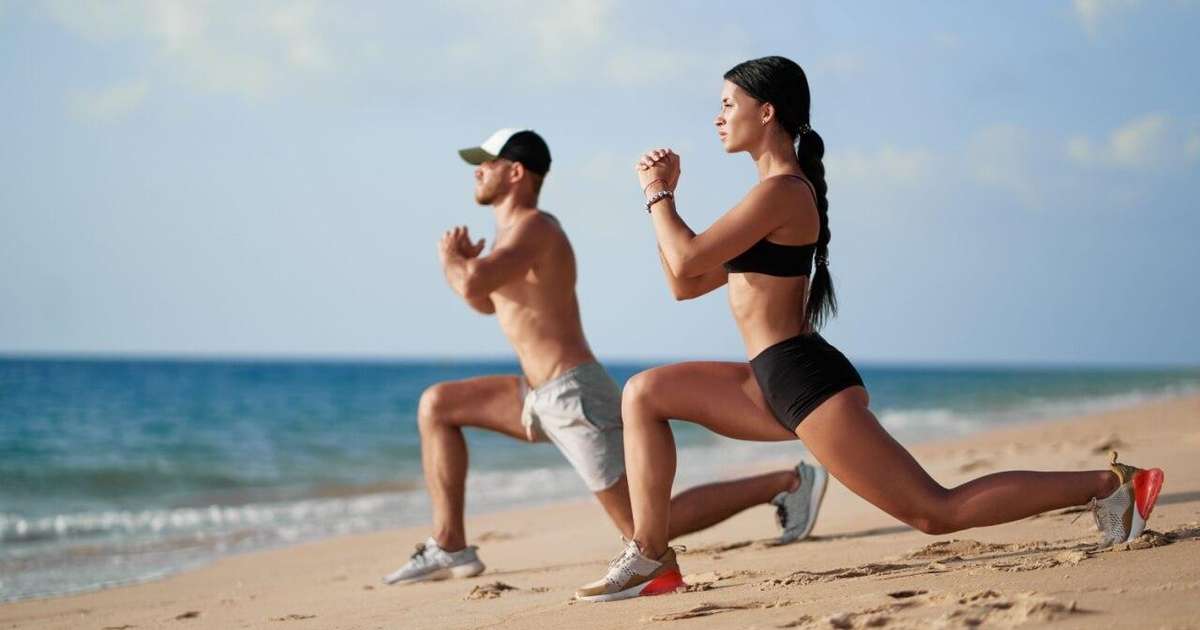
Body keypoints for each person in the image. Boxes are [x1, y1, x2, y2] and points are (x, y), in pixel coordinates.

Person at [574, 56, 1165, 603]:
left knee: (935, 512)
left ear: (767, 111)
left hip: (804, 380)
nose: (718, 116)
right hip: (768, 377)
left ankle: (1111, 485)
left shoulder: (782, 192)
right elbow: (685, 281)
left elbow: (684, 260)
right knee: (644, 393)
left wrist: (659, 194)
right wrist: (664, 207)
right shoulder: (766, 197)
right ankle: (652, 557)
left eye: (728, 103)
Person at [383, 128, 830, 586]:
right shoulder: (507, 240)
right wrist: (467, 266)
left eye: (487, 162)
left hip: (573, 394)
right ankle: (450, 545)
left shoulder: (536, 228)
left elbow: (473, 286)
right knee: (437, 405)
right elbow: (484, 301)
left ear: (515, 172)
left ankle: (787, 482)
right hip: (535, 396)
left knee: (646, 524)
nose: (477, 171)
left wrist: (451, 261)